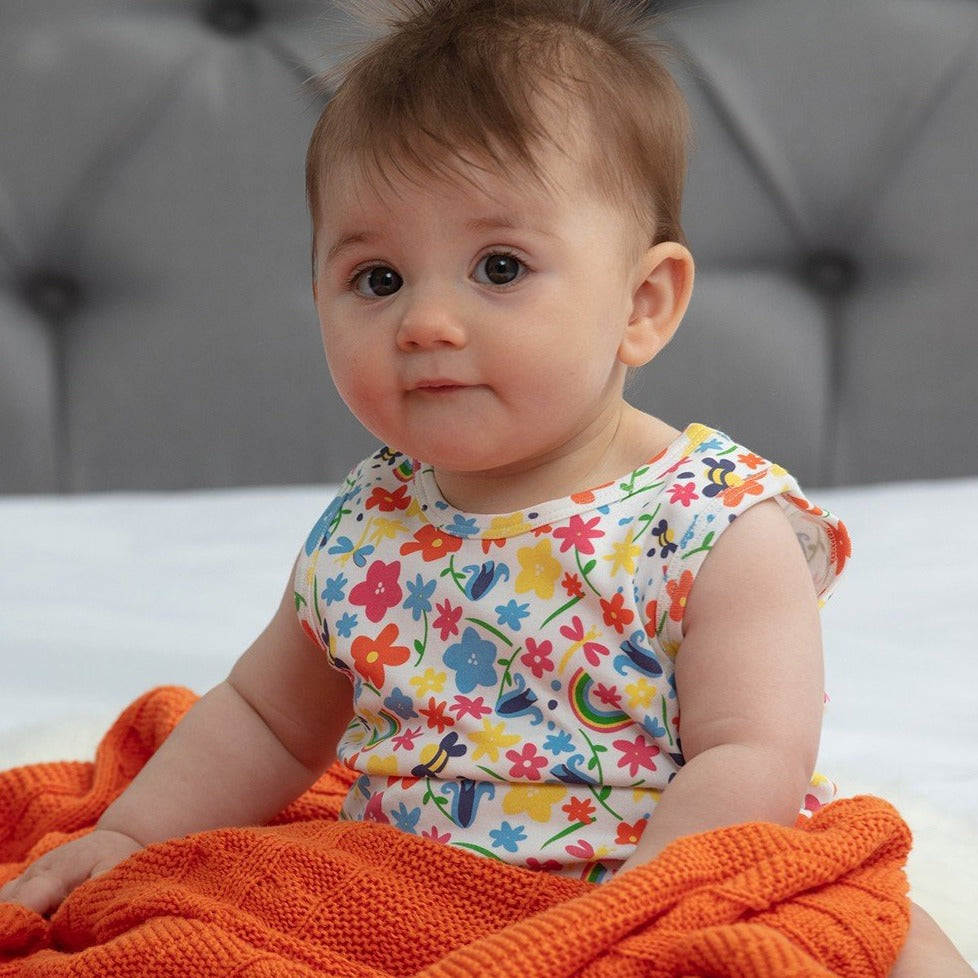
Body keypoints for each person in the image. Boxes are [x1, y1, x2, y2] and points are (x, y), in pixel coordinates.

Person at [1, 0, 973, 973]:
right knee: (189, 934)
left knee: (875, 936)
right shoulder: (370, 524)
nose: (426, 321)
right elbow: (267, 718)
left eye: (498, 267)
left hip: (659, 885)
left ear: (642, 304)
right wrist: (131, 834)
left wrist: (626, 923)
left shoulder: (713, 525)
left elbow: (750, 761)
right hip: (406, 892)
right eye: (378, 279)